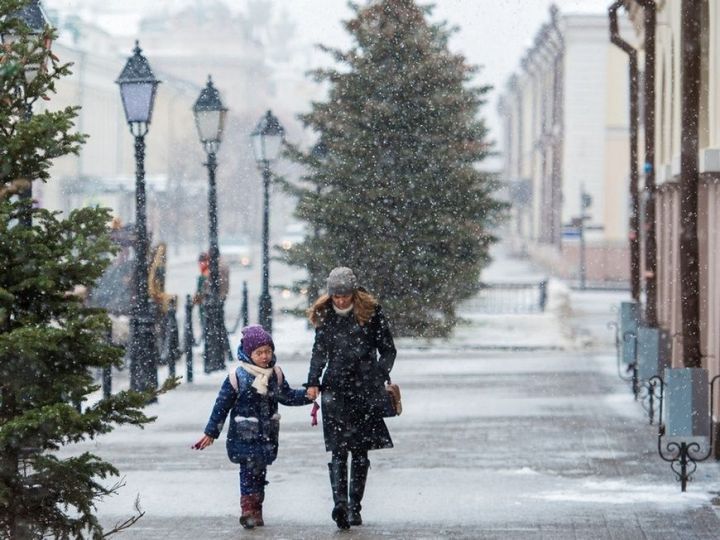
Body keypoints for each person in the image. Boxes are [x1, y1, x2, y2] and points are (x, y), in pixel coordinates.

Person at [193, 325, 313, 529]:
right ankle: (248, 510)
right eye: (259, 353)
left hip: (267, 434)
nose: (265, 356)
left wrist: (307, 396)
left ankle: (257, 510)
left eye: (268, 351)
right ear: (249, 354)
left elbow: (287, 396)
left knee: (260, 473)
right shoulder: (238, 377)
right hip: (244, 435)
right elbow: (221, 406)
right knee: (248, 471)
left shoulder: (275, 374)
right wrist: (211, 432)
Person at [305, 267, 396, 529]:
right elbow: (319, 352)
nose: (341, 300)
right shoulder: (326, 316)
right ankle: (340, 506)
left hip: (365, 390)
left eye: (345, 295)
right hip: (335, 390)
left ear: (354, 293)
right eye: (336, 296)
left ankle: (355, 506)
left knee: (359, 451)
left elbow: (388, 350)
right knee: (337, 450)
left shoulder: (371, 313)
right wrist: (313, 381)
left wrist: (378, 374)